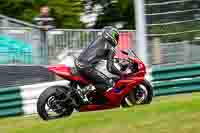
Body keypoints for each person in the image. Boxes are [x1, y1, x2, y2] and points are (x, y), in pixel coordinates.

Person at [75, 26, 126, 103]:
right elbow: (110, 68)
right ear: (111, 35)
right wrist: (121, 74)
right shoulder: (110, 47)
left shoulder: (98, 40)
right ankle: (83, 91)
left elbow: (98, 54)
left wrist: (117, 60)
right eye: (116, 36)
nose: (117, 39)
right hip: (87, 67)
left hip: (79, 62)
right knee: (108, 83)